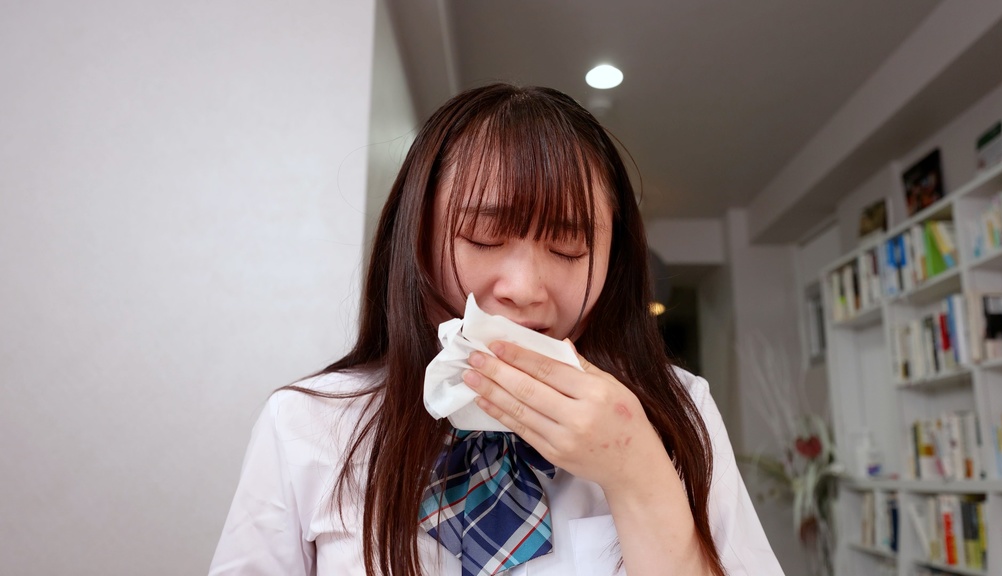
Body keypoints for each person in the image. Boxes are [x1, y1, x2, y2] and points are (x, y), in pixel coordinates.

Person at [210, 83, 783, 576]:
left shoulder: (680, 407)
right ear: (416, 237)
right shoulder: (307, 424)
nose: (526, 288)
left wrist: (637, 473)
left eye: (567, 247)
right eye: (485, 239)